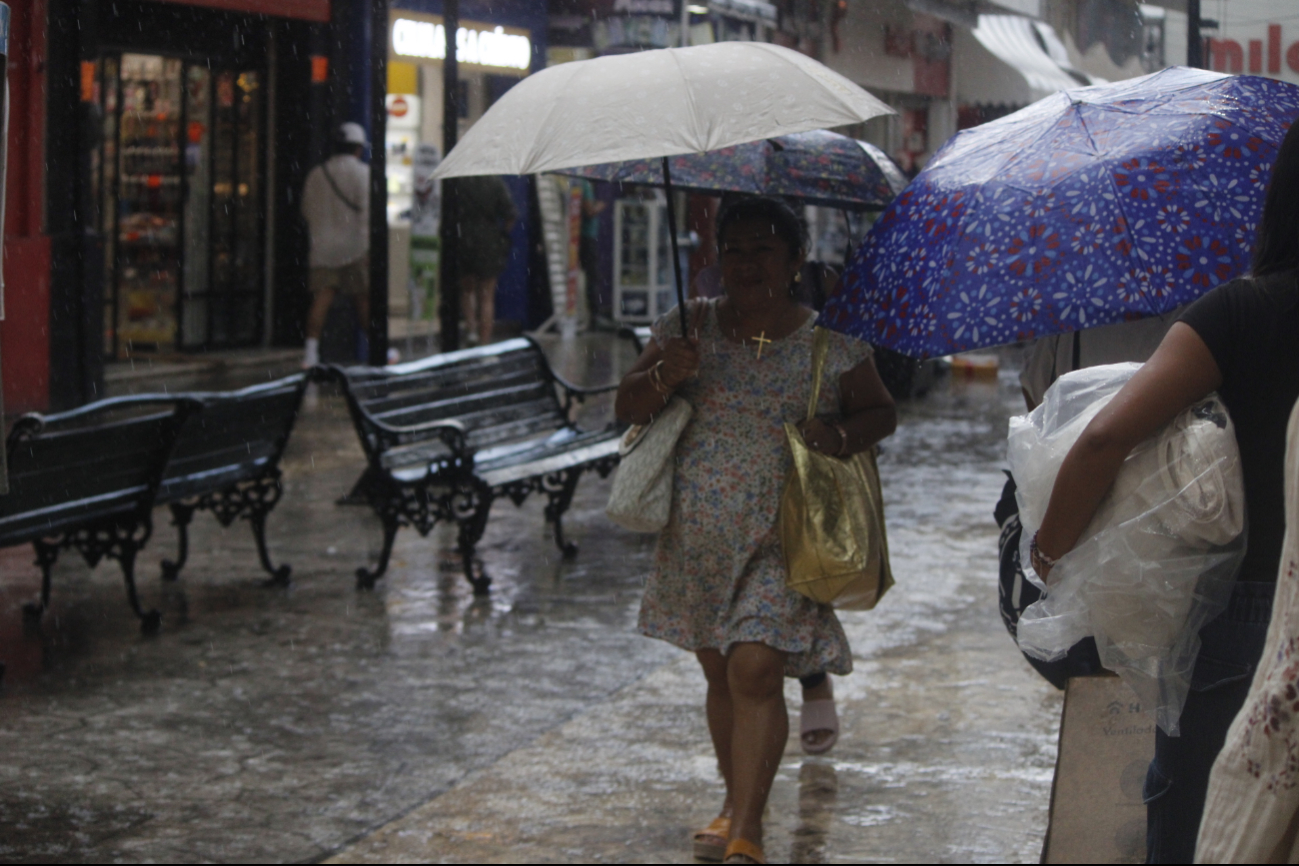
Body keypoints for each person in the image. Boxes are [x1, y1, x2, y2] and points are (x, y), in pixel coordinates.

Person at [1030, 120, 1299, 863]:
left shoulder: (1239, 313)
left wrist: (1046, 555)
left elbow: (1101, 440)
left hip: (1246, 604)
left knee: (1202, 817)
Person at [615, 197, 897, 864]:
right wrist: (663, 372)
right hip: (698, 534)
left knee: (756, 667)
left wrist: (835, 433)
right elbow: (625, 406)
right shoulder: (687, 326)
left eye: (762, 249)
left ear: (795, 260)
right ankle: (730, 802)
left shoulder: (831, 342)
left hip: (783, 534)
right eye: (733, 248)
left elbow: (879, 414)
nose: (745, 262)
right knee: (719, 672)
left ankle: (750, 826)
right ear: (714, 256)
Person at [302, 122, 371, 368]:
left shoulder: (316, 174)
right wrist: (367, 247)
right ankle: (376, 347)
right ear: (358, 149)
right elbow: (367, 215)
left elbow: (307, 210)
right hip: (354, 248)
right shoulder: (363, 174)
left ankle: (310, 353)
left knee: (321, 299)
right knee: (363, 299)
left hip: (322, 247)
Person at [454, 174, 517, 345]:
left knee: (467, 290)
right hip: (489, 241)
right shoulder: (495, 182)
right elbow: (510, 214)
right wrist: (502, 234)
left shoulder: (459, 180)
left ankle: (471, 330)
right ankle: (484, 342)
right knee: (487, 296)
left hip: (464, 238)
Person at [576, 178, 610, 329]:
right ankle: (593, 317)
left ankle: (591, 316)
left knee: (590, 276)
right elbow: (589, 210)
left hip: (584, 236)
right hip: (587, 237)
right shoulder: (585, 185)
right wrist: (601, 206)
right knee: (592, 276)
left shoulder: (580, 184)